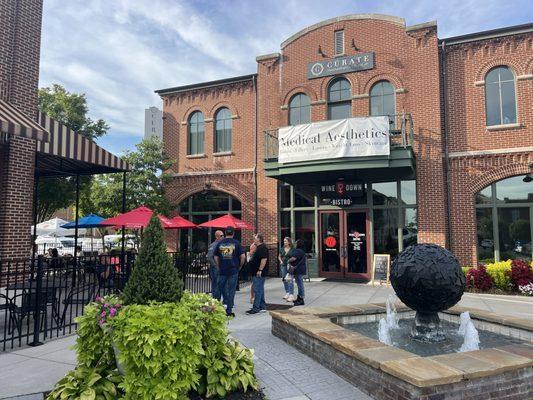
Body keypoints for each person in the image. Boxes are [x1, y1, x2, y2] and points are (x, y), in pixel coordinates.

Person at [214, 226, 245, 317]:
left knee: (218, 289)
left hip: (222, 270)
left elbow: (215, 256)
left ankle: (215, 308)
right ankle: (229, 310)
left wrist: (218, 265)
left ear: (225, 233)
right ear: (233, 233)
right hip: (233, 270)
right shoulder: (236, 243)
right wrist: (240, 265)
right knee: (231, 290)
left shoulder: (220, 243)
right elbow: (243, 257)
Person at [246, 234, 269, 315]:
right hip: (256, 272)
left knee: (257, 290)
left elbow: (264, 260)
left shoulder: (262, 248)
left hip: (258, 273)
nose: (253, 240)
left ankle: (256, 308)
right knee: (260, 289)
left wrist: (260, 270)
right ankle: (262, 307)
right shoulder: (258, 248)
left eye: (255, 238)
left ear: (259, 239)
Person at [288, 239, 307, 306]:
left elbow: (293, 258)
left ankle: (301, 298)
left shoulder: (298, 251)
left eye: (296, 243)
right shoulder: (301, 251)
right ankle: (299, 298)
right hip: (299, 269)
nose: (295, 244)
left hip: (298, 270)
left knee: (300, 284)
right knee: (299, 283)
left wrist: (288, 260)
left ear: (298, 244)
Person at [207, 230, 224, 299]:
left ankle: (217, 300)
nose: (223, 237)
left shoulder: (222, 244)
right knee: (216, 285)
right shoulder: (214, 245)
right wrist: (216, 266)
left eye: (223, 235)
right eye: (221, 236)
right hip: (215, 269)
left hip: (220, 268)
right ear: (217, 237)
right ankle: (215, 301)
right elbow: (210, 257)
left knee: (219, 285)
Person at [278, 237, 295, 302]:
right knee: (284, 279)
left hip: (290, 266)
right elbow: (279, 256)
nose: (284, 242)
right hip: (283, 266)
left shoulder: (293, 249)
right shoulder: (282, 249)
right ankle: (287, 292)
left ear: (289, 242)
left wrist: (290, 261)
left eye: (285, 241)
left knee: (290, 279)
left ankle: (291, 294)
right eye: (284, 241)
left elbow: (294, 257)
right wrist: (280, 261)